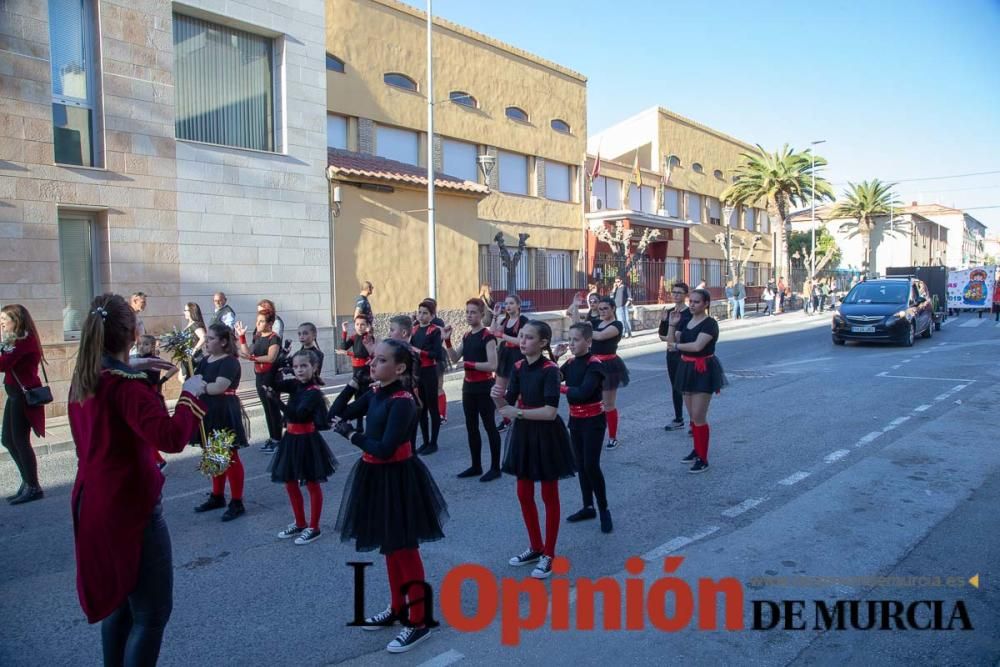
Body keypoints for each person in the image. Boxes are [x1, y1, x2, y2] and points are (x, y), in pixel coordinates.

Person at [67, 293, 207, 665]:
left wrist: (133, 366)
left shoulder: (86, 376)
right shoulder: (127, 386)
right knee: (151, 614)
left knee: (119, 606)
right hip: (130, 506)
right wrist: (189, 397)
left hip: (93, 500)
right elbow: (171, 438)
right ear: (131, 333)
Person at [331, 339, 449, 654]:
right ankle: (397, 606)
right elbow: (333, 414)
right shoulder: (375, 393)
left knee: (405, 549)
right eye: (372, 359)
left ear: (398, 368)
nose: (372, 364)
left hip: (397, 476)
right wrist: (351, 383)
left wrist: (351, 434)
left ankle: (420, 620)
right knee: (389, 547)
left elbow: (383, 448)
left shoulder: (402, 401)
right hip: (374, 476)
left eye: (380, 360)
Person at [491, 320, 575, 579]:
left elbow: (550, 413)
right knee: (524, 493)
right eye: (522, 337)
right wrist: (498, 397)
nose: (523, 341)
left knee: (549, 496)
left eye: (528, 337)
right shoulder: (517, 366)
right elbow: (509, 403)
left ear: (542, 343)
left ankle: (549, 553)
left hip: (546, 435)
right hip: (525, 433)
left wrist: (515, 411)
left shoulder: (550, 370)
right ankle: (535, 546)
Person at [267, 349, 337, 545]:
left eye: (304, 366)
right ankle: (299, 521)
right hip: (290, 438)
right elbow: (271, 382)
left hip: (306, 440)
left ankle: (314, 527)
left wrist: (277, 402)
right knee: (289, 482)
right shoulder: (296, 385)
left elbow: (297, 414)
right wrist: (278, 363)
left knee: (311, 483)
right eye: (296, 366)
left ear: (314, 368)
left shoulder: (313, 392)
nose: (299, 370)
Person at [191, 324, 251, 521]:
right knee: (213, 453)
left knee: (229, 455)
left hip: (224, 410)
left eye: (210, 338)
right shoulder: (206, 360)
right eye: (207, 338)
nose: (206, 342)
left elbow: (219, 387)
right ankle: (217, 495)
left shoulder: (230, 362)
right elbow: (197, 379)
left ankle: (237, 501)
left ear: (223, 341)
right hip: (208, 410)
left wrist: (201, 387)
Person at [557, 322, 612, 533]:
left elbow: (583, 392)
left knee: (591, 465)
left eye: (576, 340)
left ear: (588, 342)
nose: (571, 344)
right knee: (580, 464)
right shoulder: (570, 363)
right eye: (569, 339)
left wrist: (560, 388)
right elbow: (551, 375)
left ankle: (604, 509)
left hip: (593, 422)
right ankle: (587, 506)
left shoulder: (594, 365)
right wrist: (555, 358)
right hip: (576, 421)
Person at [666, 288, 728, 473]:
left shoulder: (710, 324)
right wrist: (671, 325)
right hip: (686, 368)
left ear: (706, 304)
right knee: (692, 415)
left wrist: (677, 345)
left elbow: (697, 346)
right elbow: (670, 344)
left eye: (696, 302)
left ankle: (703, 458)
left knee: (699, 416)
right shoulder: (686, 321)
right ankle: (697, 449)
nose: (692, 304)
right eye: (691, 301)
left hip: (703, 369)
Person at [443, 299, 501, 482]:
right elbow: (454, 358)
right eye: (467, 312)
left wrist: (471, 365)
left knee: (490, 426)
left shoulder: (487, 336)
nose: (469, 315)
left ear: (482, 315)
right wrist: (447, 340)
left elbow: (493, 364)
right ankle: (476, 465)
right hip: (468, 387)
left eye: (473, 312)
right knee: (471, 427)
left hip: (484, 387)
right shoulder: (467, 335)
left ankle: (495, 467)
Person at [1, 304, 46, 504]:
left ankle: (34, 486)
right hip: (14, 394)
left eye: (4, 319)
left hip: (23, 396)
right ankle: (27, 482)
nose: (1, 323)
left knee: (20, 441)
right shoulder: (13, 340)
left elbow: (3, 364)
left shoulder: (24, 340)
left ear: (16, 320)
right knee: (7, 440)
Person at [235, 311, 282, 452]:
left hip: (271, 376)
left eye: (261, 321)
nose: (258, 324)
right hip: (260, 376)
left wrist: (252, 359)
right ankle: (273, 437)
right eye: (258, 321)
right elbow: (248, 352)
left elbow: (271, 358)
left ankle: (278, 439)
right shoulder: (258, 336)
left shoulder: (274, 338)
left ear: (270, 324)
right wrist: (242, 337)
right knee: (267, 409)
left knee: (273, 408)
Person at [131, 334, 176, 471]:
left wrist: (162, 381)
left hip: (151, 397)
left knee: (146, 431)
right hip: (137, 398)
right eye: (139, 344)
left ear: (152, 346)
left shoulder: (155, 360)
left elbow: (174, 368)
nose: (142, 347)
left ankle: (158, 460)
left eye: (145, 344)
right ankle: (154, 460)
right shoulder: (134, 359)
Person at [590, 297, 630, 450]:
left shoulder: (617, 325)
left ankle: (612, 436)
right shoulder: (595, 323)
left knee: (608, 404)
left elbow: (600, 336)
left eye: (605, 308)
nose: (602, 311)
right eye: (600, 309)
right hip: (593, 364)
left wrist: (586, 330)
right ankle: (596, 432)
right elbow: (578, 327)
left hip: (609, 366)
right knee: (593, 401)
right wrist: (574, 307)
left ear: (613, 308)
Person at [491, 295, 529, 433]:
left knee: (518, 391)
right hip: (505, 356)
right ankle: (506, 420)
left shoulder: (524, 321)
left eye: (511, 303)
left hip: (517, 356)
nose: (508, 306)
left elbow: (520, 341)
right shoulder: (504, 320)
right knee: (498, 391)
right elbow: (493, 332)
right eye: (506, 304)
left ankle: (520, 418)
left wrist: (503, 336)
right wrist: (495, 316)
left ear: (518, 305)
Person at [411, 300, 444, 455]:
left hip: (430, 371)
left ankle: (434, 442)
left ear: (432, 315)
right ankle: (424, 441)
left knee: (432, 408)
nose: (421, 315)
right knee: (421, 409)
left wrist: (419, 352)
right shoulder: (415, 329)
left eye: (425, 313)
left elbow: (437, 354)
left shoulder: (434, 331)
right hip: (418, 372)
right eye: (420, 312)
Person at [660, 282, 692, 432]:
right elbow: (662, 336)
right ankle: (679, 418)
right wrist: (664, 321)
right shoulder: (670, 312)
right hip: (671, 355)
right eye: (674, 292)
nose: (676, 295)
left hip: (685, 353)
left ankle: (694, 421)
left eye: (679, 292)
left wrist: (672, 338)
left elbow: (682, 338)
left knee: (688, 387)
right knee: (675, 387)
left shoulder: (689, 313)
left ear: (686, 294)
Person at [339, 315, 372, 429]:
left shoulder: (368, 337)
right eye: (357, 324)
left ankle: (369, 423)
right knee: (357, 396)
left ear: (367, 326)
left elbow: (363, 353)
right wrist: (344, 331)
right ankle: (359, 425)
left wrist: (348, 354)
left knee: (366, 395)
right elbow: (343, 347)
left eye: (362, 324)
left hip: (366, 370)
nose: (359, 327)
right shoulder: (354, 337)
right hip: (356, 370)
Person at [128, 292, 147, 356]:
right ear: (135, 301)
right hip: (134, 351)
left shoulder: (135, 315)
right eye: (143, 302)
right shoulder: (129, 315)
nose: (145, 304)